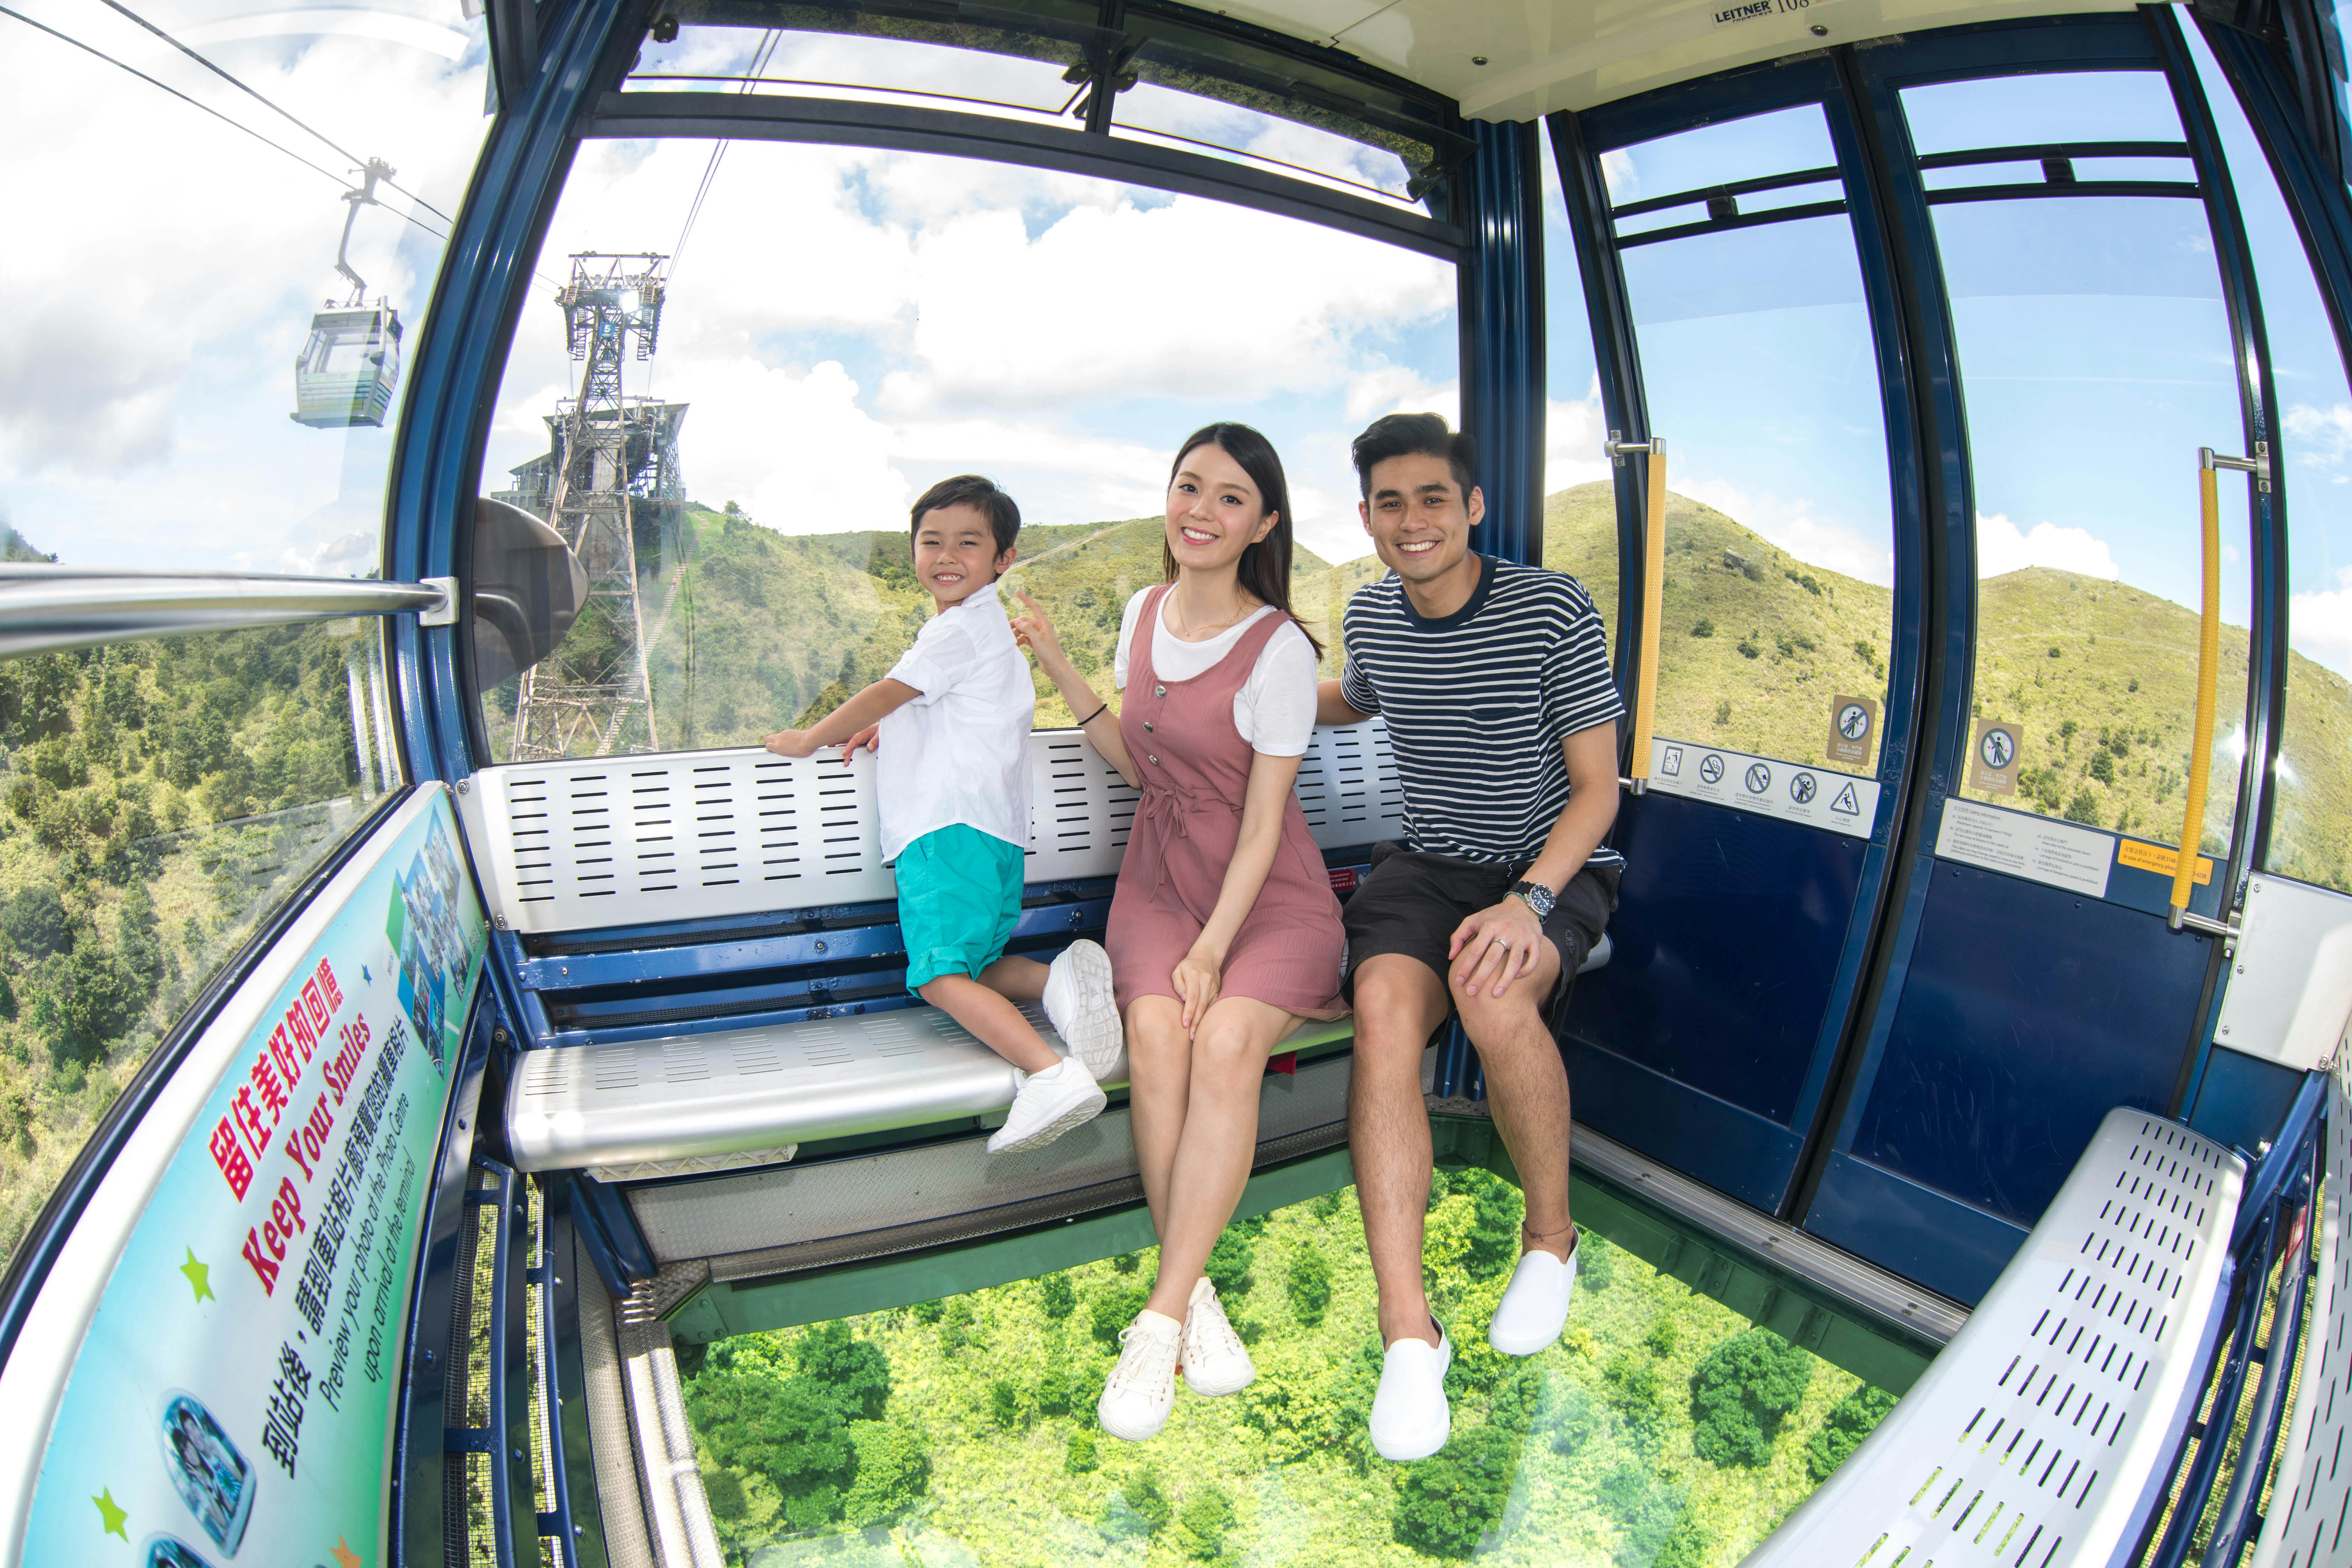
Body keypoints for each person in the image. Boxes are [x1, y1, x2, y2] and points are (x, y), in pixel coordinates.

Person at [1011, 424, 1346, 1442]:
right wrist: (1062, 668)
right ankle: (1193, 1293)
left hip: (1266, 892)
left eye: (1231, 498)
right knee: (1157, 1041)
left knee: (1227, 1041)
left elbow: (1260, 822)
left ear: (1264, 525)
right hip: (1159, 876)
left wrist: (1212, 949)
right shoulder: (1142, 612)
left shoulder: (1279, 647)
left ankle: (1157, 1325)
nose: (1201, 510)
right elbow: (1139, 762)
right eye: (1189, 486)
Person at [1315, 413, 1623, 1462]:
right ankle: (1410, 1332)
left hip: (1551, 865)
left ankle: (1552, 1239)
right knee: (1383, 1013)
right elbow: (1351, 699)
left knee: (1494, 994)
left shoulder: (1549, 608)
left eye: (1433, 498)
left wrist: (1531, 901)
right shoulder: (1372, 617)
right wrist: (1223, 702)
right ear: (1366, 519)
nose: (1413, 522)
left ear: (1473, 506)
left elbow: (1597, 793)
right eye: (1390, 504)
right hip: (1429, 866)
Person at [764, 475, 1124, 1154]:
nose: (947, 554)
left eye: (969, 541)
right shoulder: (983, 629)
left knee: (936, 975)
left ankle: (1049, 1073)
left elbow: (888, 690)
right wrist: (894, 729)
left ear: (1003, 558)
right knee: (975, 962)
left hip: (944, 831)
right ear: (913, 551)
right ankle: (1055, 980)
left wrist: (808, 738)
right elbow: (943, 710)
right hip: (993, 835)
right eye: (932, 540)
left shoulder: (955, 629)